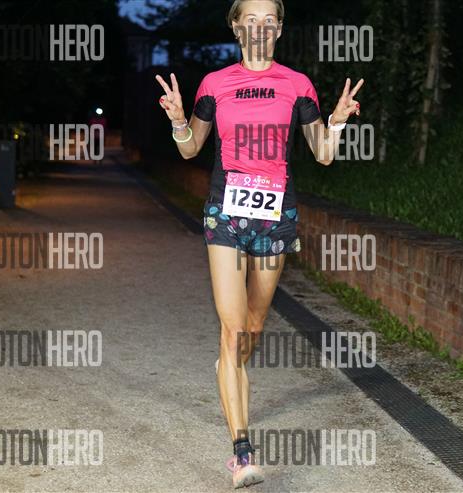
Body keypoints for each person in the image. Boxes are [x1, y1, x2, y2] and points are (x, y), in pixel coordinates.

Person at [155, 0, 363, 488]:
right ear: (235, 27)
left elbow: (323, 154)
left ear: (280, 30)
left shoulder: (297, 84)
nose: (260, 27)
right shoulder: (215, 84)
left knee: (252, 326)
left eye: (269, 20)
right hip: (225, 214)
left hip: (275, 217)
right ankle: (241, 451)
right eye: (250, 19)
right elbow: (190, 148)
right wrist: (179, 120)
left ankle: (229, 367)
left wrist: (336, 122)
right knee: (232, 331)